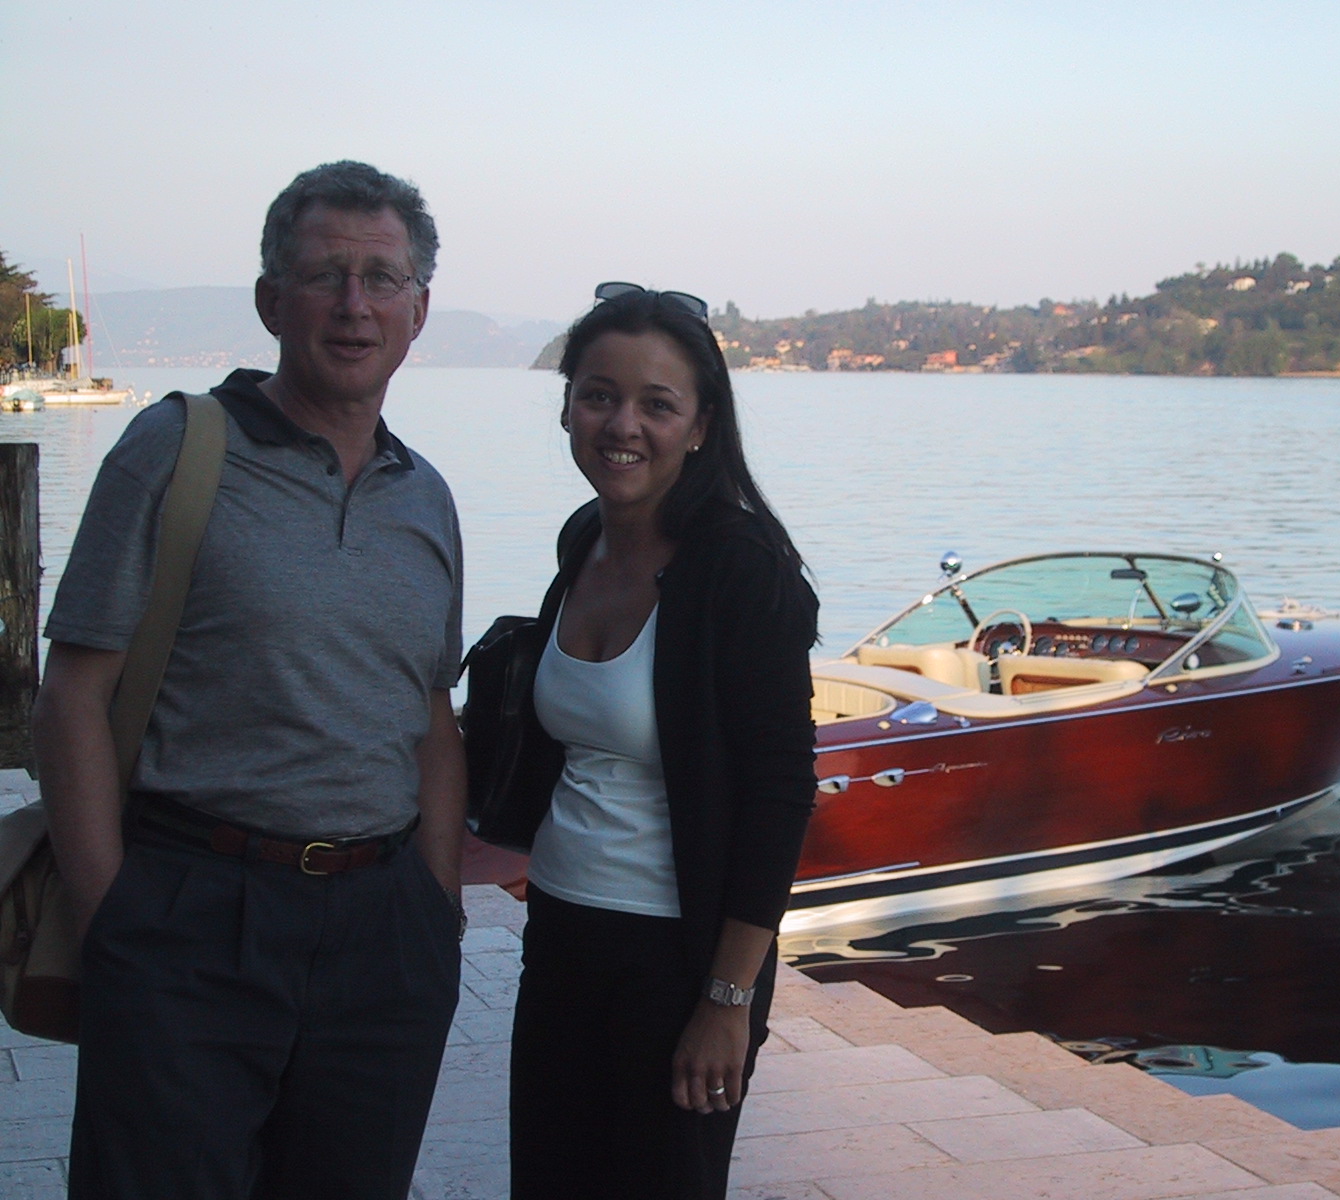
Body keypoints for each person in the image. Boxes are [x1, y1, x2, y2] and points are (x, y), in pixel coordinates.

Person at [32, 161, 466, 1200]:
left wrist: (435, 913)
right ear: (273, 301)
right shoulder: (175, 450)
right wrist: (112, 919)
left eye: (381, 278)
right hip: (193, 911)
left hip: (380, 930)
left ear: (418, 311)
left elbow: (431, 717)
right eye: (324, 275)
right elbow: (73, 695)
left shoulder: (426, 499)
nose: (353, 305)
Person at [505, 284, 818, 1199]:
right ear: (567, 405)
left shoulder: (742, 570)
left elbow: (779, 792)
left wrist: (728, 1000)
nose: (622, 426)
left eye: (657, 404)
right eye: (599, 396)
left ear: (701, 425)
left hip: (680, 961)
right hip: (561, 937)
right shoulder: (582, 541)